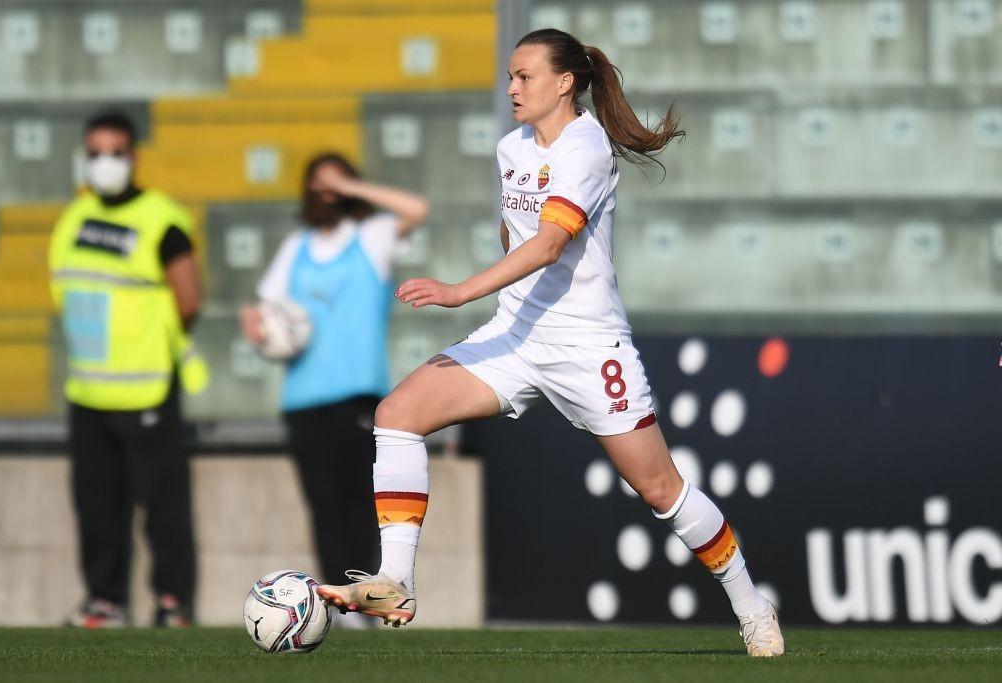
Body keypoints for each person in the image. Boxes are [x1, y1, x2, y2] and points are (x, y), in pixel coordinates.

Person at [317, 29, 785, 656]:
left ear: (564, 83)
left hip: (588, 347)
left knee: (660, 490)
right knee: (397, 415)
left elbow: (548, 244)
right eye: (510, 77)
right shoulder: (512, 147)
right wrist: (491, 299)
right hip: (514, 335)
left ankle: (752, 607)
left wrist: (459, 292)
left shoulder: (586, 148)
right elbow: (516, 240)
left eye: (525, 76)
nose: (512, 88)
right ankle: (395, 581)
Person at [240, 153, 428, 626]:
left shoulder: (369, 239)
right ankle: (336, 607)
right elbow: (264, 311)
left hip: (358, 393)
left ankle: (367, 598)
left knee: (359, 503)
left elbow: (415, 210)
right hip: (304, 397)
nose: (325, 193)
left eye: (334, 184)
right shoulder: (296, 247)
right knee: (323, 505)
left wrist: (354, 189)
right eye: (317, 184)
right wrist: (256, 325)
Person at [49, 111, 208, 627]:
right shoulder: (73, 217)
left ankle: (172, 603)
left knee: (163, 507)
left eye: (115, 152)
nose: (104, 163)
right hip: (88, 388)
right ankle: (105, 601)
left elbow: (188, 297)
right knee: (96, 507)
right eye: (95, 152)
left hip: (146, 385)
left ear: (134, 157)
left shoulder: (161, 219)